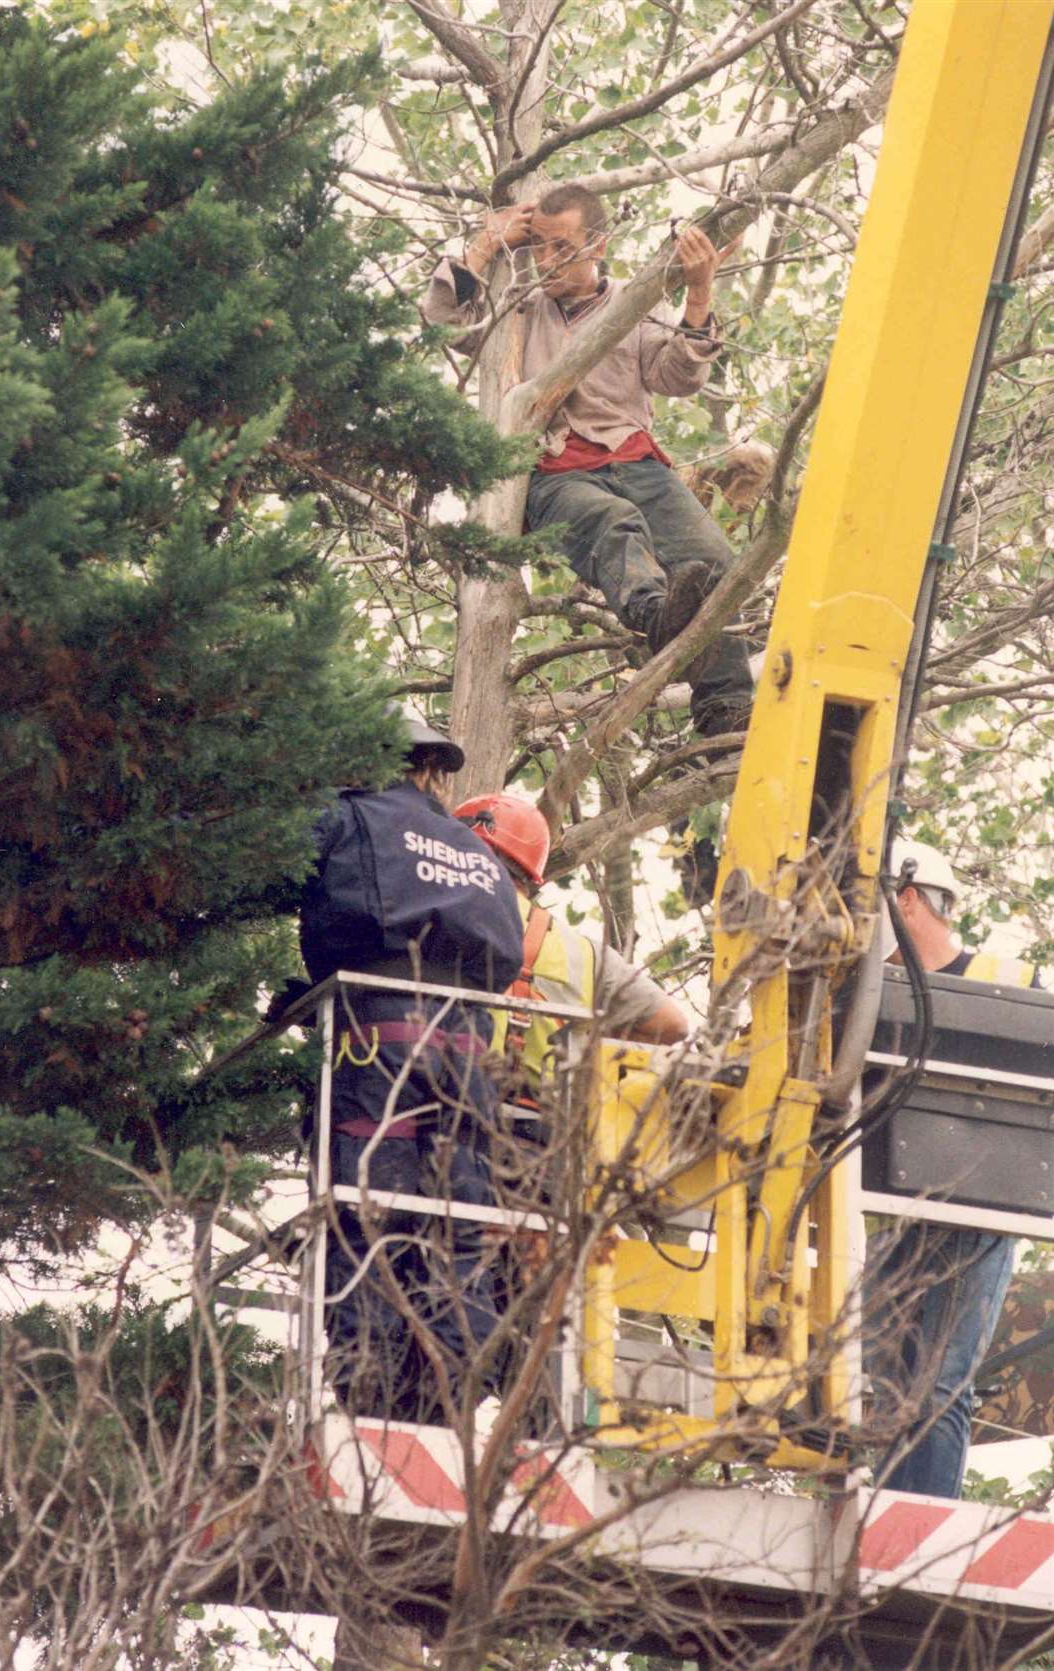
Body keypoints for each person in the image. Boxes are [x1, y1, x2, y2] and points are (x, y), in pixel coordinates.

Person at [423, 182, 753, 736]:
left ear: (598, 245)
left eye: (562, 247)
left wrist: (698, 296)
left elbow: (678, 376)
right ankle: (654, 615)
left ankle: (726, 706)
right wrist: (485, 247)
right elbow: (444, 322)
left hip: (635, 462)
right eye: (539, 248)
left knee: (714, 557)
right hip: (556, 473)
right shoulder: (517, 306)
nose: (547, 261)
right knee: (611, 524)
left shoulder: (634, 303)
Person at [299, 714, 524, 1423]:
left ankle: (368, 1388)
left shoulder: (346, 817)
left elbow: (263, 869)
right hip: (467, 1063)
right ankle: (452, 1396)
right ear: (430, 768)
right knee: (457, 1223)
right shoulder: (478, 852)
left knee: (369, 1218)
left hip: (378, 1047)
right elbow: (505, 959)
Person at [866, 838, 1041, 1499]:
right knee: (881, 1375)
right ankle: (880, 1512)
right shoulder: (872, 996)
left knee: (938, 1383)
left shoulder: (1009, 978)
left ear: (906, 899)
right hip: (899, 1210)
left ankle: (918, 1524)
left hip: (981, 1212)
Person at [453, 793, 690, 1103]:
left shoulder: (436, 916)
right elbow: (672, 1025)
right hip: (545, 1133)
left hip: (447, 1115)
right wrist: (582, 1047)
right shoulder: (586, 953)